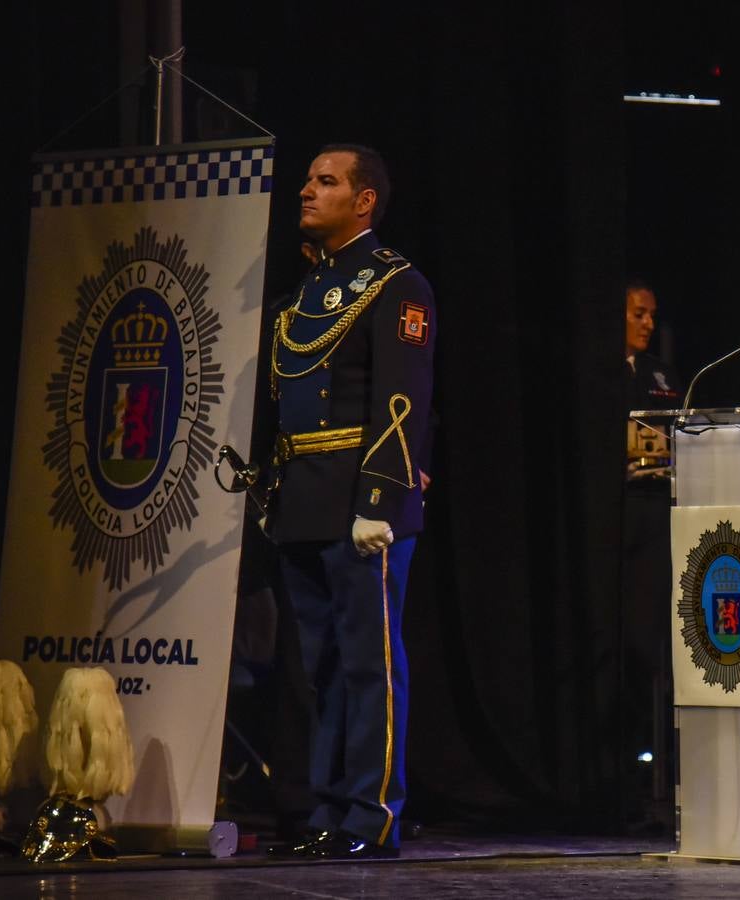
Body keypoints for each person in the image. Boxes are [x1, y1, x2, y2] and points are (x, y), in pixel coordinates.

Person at [265, 144, 436, 860]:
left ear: (363, 201)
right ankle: (328, 810)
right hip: (303, 498)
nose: (307, 191)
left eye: (325, 182)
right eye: (308, 180)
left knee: (371, 664)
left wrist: (381, 501)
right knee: (322, 667)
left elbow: (404, 399)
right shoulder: (306, 291)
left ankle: (372, 815)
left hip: (359, 506)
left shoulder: (394, 282)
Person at [620, 280, 680, 832]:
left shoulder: (661, 374)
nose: (646, 324)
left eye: (651, 315)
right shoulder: (602, 370)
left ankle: (655, 782)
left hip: (657, 512)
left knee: (654, 647)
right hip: (617, 518)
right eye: (637, 314)